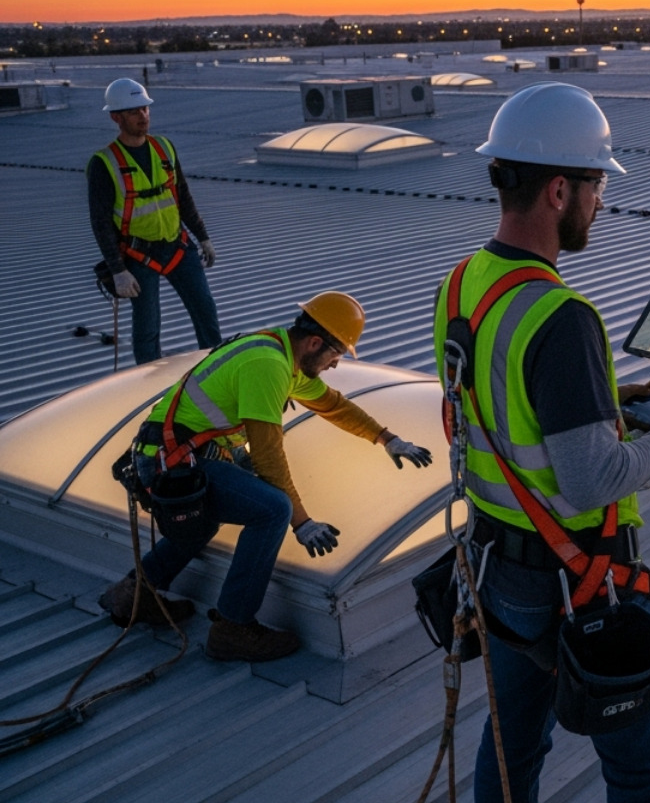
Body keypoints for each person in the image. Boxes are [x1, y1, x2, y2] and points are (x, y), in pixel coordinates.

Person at [435, 83, 650, 803]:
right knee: (642, 769)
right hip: (580, 583)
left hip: (498, 566)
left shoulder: (464, 282)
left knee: (511, 749)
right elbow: (590, 482)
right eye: (595, 183)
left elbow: (499, 401)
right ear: (559, 189)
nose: (602, 200)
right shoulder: (563, 316)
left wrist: (605, 400)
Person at [98, 292, 433, 662]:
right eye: (335, 356)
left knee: (208, 517)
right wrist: (302, 522)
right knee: (273, 509)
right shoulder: (267, 366)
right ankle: (233, 627)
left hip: (179, 457)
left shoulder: (282, 353)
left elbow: (333, 406)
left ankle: (135, 595)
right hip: (171, 463)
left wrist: (388, 439)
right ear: (315, 342)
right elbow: (269, 458)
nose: (335, 366)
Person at [87, 77, 222, 364]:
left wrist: (203, 237)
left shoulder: (164, 148)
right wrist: (118, 270)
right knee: (147, 328)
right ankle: (148, 387)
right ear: (116, 117)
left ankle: (218, 371)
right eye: (134, 112)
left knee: (206, 312)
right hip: (138, 254)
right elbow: (100, 222)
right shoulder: (104, 163)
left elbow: (182, 196)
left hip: (177, 245)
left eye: (145, 110)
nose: (143, 116)